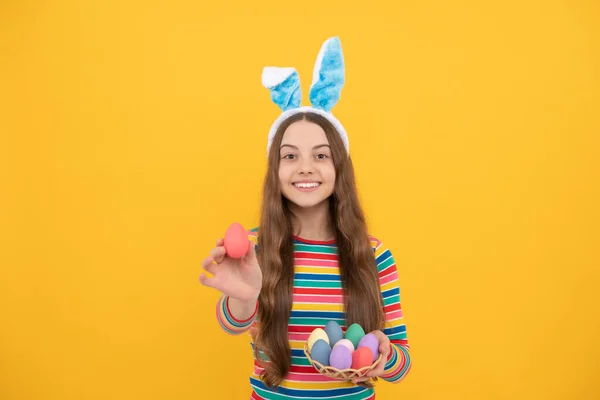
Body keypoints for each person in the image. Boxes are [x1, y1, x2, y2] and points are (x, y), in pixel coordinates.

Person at [199, 36, 412, 399]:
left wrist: (385, 354)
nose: (306, 168)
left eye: (321, 155)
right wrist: (246, 297)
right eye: (290, 156)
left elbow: (402, 362)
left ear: (339, 167)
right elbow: (233, 324)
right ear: (275, 169)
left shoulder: (374, 255)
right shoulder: (254, 248)